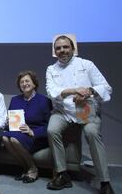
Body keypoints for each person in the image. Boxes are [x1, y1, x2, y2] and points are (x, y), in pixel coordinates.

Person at [46, 35, 114, 194]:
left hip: (85, 110)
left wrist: (89, 92)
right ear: (55, 51)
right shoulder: (51, 69)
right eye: (58, 48)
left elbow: (106, 87)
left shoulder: (86, 64)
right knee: (52, 129)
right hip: (63, 111)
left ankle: (105, 182)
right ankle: (62, 174)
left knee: (91, 133)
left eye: (65, 47)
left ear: (73, 49)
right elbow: (52, 92)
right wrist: (74, 90)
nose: (62, 50)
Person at [3, 71, 52, 183]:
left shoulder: (44, 101)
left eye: (27, 81)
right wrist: (8, 122)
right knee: (4, 138)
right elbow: (12, 121)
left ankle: (33, 168)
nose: (24, 84)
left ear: (34, 84)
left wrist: (32, 131)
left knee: (14, 139)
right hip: (17, 132)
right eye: (22, 82)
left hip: (35, 135)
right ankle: (25, 167)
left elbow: (49, 124)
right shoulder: (15, 100)